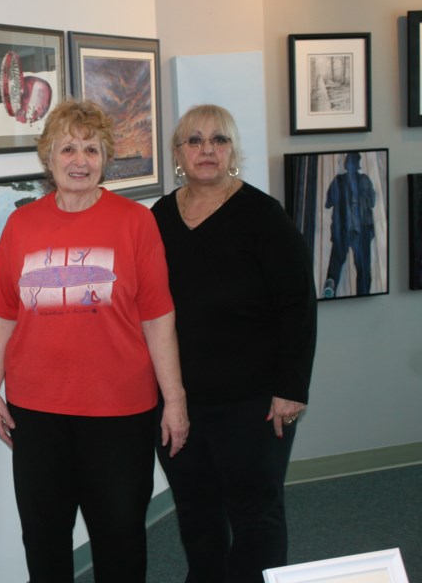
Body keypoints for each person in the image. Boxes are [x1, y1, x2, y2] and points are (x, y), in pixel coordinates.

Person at [0, 99, 189, 583]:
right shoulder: (22, 225)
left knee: (119, 540)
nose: (80, 160)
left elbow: (158, 317)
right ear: (48, 157)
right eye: (68, 148)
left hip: (119, 412)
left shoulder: (135, 222)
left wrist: (174, 400)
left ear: (105, 157)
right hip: (37, 410)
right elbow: (3, 310)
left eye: (91, 149)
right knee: (45, 541)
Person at [151, 104, 317, 583]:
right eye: (195, 140)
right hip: (179, 400)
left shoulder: (263, 216)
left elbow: (298, 306)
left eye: (219, 140)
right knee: (195, 510)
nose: (207, 150)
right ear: (178, 153)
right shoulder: (159, 217)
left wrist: (291, 388)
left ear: (233, 151)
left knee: (255, 514)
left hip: (255, 402)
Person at [323, 151, 377, 298]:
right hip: (362, 229)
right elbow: (372, 202)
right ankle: (363, 296)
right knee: (363, 269)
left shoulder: (338, 181)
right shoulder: (365, 180)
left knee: (336, 263)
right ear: (358, 165)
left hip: (343, 228)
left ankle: (330, 287)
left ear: (346, 165)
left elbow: (328, 204)